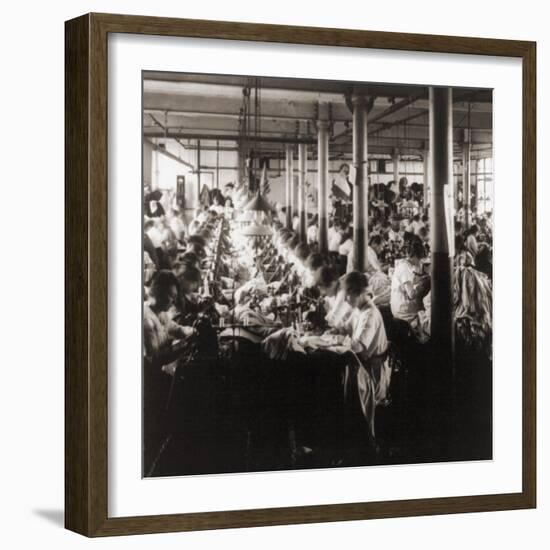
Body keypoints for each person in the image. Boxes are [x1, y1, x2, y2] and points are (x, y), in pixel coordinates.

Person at [390, 239, 431, 323]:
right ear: (415, 256)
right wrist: (422, 284)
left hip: (399, 303)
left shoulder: (405, 264)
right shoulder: (405, 268)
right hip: (401, 309)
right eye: (419, 259)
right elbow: (411, 294)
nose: (420, 262)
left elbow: (409, 283)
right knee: (428, 313)